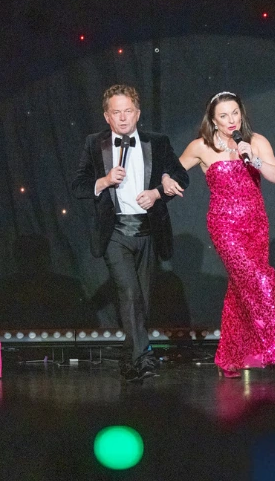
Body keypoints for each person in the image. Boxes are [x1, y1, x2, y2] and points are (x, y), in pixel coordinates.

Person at [165, 91, 275, 378]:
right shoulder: (201, 146)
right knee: (260, 280)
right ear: (213, 120)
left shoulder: (256, 141)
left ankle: (229, 357)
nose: (231, 120)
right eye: (223, 115)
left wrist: (254, 159)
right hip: (224, 225)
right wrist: (165, 178)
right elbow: (171, 168)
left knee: (240, 289)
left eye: (235, 113)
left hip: (256, 223)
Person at [71, 84, 189, 382]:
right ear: (107, 116)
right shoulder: (94, 143)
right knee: (129, 293)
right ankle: (143, 358)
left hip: (148, 230)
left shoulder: (157, 142)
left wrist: (158, 191)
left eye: (128, 111)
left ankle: (131, 359)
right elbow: (79, 186)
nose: (122, 118)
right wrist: (105, 180)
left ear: (137, 113)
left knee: (142, 301)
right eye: (116, 112)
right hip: (114, 231)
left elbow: (181, 175)